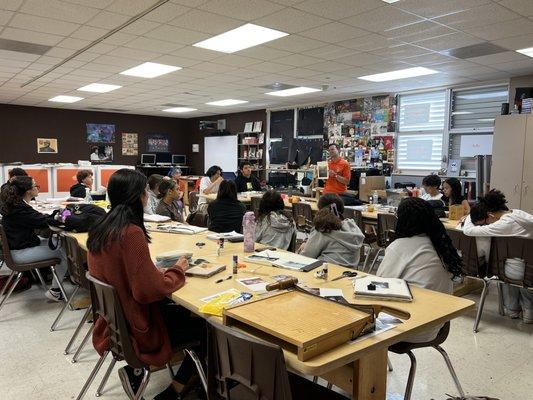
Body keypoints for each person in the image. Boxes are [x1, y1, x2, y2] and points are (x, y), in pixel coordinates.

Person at [86, 169, 205, 400]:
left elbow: (126, 274)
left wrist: (153, 273)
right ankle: (177, 389)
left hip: (115, 325)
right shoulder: (130, 233)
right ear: (139, 196)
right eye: (145, 191)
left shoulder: (101, 227)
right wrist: (177, 270)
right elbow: (146, 291)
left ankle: (138, 372)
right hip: (139, 328)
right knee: (207, 328)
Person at [377, 197, 463, 342]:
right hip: (436, 327)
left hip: (407, 329)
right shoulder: (440, 245)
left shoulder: (401, 246)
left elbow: (379, 286)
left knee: (351, 325)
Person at [462, 189, 533, 323]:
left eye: (486, 222)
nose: (487, 224)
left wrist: (468, 217)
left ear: (490, 215)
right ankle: (528, 310)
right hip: (530, 268)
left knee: (505, 266)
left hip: (515, 272)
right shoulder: (518, 213)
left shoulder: (503, 224)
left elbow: (469, 230)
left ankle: (512, 309)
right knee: (517, 263)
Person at [0, 176, 68, 301]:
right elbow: (43, 222)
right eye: (35, 185)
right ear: (28, 191)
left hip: (18, 248)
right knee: (65, 251)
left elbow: (38, 219)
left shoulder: (16, 205)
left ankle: (61, 282)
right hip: (20, 254)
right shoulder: (20, 209)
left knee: (60, 243)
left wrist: (54, 214)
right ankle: (56, 290)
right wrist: (60, 214)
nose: (37, 188)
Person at [299, 193, 364, 268]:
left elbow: (306, 257)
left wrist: (304, 246)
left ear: (320, 210)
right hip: (351, 273)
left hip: (326, 271)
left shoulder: (324, 228)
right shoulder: (353, 226)